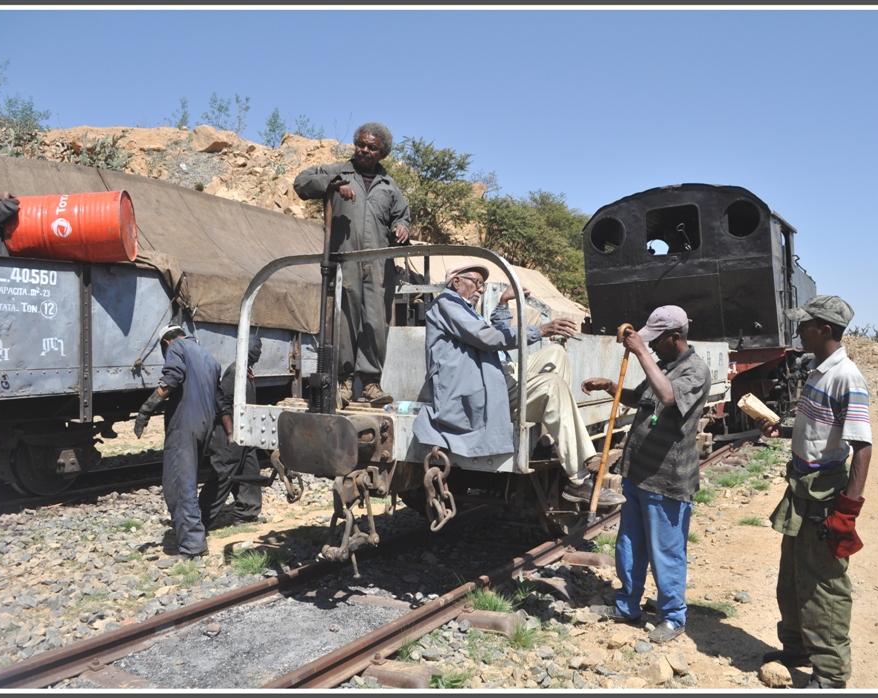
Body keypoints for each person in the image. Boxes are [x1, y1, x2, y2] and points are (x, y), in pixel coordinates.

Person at [412, 262, 624, 507]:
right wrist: (540, 330)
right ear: (456, 282)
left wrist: (503, 303)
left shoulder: (467, 309)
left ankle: (549, 439)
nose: (480, 289)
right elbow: (487, 337)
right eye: (476, 282)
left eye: (483, 284)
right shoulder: (447, 304)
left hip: (496, 375)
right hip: (479, 390)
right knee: (552, 385)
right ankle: (578, 480)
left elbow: (494, 333)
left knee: (555, 354)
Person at [755, 295, 872, 690]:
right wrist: (781, 430)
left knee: (824, 585)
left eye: (805, 326)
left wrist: (847, 510)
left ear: (825, 330)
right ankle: (797, 648)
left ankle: (831, 674)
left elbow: (862, 445)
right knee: (790, 576)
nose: (798, 331)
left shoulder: (846, 377)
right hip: (800, 488)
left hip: (825, 496)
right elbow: (819, 433)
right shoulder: (818, 371)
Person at [581, 305, 712, 644]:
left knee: (666, 551)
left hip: (667, 478)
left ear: (675, 337)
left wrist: (640, 351)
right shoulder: (664, 364)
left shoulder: (695, 371)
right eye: (648, 342)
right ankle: (627, 606)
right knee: (629, 545)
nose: (652, 346)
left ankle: (673, 617)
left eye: (656, 340)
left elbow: (668, 396)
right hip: (639, 474)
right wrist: (610, 386)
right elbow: (641, 397)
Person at [293, 122, 411, 408]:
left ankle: (371, 384)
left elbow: (403, 216)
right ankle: (344, 384)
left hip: (379, 266)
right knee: (344, 322)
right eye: (361, 144)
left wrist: (402, 227)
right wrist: (333, 185)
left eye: (371, 147)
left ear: (381, 152)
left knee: (374, 323)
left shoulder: (389, 185)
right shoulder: (339, 171)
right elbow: (301, 182)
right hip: (345, 261)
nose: (364, 150)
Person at [134, 323, 220, 560]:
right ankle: (192, 536)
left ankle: (192, 545)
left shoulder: (177, 347)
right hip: (205, 424)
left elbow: (171, 378)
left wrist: (145, 410)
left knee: (179, 485)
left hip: (184, 424)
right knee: (188, 481)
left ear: (166, 343)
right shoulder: (208, 355)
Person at [198, 334, 266, 529]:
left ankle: (246, 514)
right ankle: (201, 519)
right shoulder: (234, 373)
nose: (259, 354)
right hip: (230, 434)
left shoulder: (247, 372)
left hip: (245, 434)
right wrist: (230, 433)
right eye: (257, 349)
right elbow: (223, 405)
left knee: (250, 470)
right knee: (222, 476)